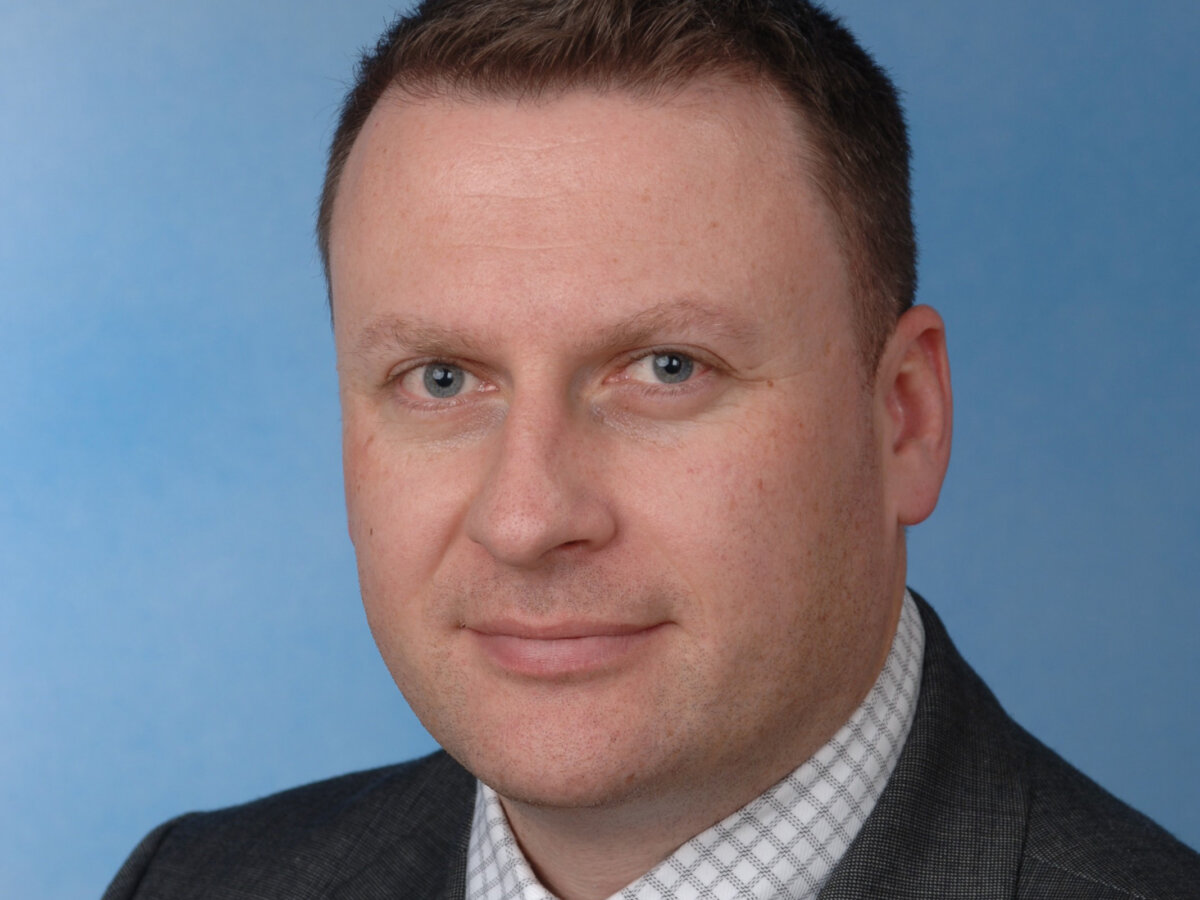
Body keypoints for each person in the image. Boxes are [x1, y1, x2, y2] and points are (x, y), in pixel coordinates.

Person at [103, 1, 1200, 897]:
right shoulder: (193, 884)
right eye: (441, 379)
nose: (526, 520)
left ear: (903, 418)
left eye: (669, 368)